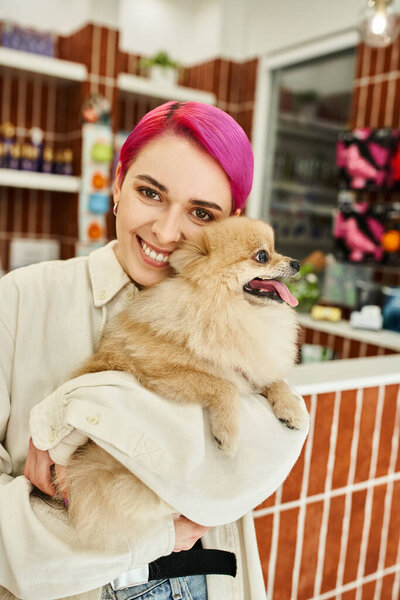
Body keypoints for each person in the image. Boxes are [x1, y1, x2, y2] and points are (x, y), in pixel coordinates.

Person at [0, 101, 308, 600]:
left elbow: (264, 453)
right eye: (150, 192)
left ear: (229, 225)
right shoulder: (20, 300)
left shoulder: (250, 317)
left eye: (201, 213)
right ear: (117, 184)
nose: (167, 232)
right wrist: (155, 536)